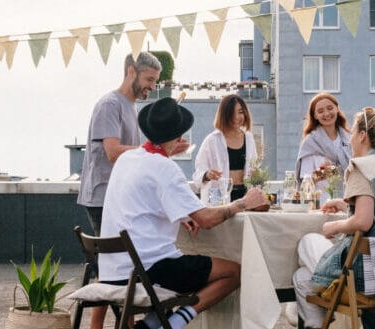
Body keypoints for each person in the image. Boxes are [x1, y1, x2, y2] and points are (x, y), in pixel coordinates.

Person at [99, 97, 268, 329]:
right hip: (148, 271)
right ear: (179, 138)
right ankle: (175, 322)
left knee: (196, 266)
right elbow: (207, 220)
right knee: (234, 271)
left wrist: (182, 214)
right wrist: (243, 204)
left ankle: (152, 323)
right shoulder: (165, 167)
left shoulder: (128, 158)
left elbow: (142, 203)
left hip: (112, 269)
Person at [293, 107, 375, 329]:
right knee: (302, 277)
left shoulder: (360, 166)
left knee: (306, 242)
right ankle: (315, 323)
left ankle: (318, 322)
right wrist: (344, 205)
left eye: (352, 134)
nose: (349, 140)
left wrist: (334, 226)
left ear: (362, 135)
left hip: (364, 275)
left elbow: (363, 222)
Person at [77, 51, 175, 236]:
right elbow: (113, 152)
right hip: (104, 198)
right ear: (131, 72)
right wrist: (153, 149)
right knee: (113, 258)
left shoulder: (132, 106)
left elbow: (136, 156)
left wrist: (164, 149)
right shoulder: (110, 104)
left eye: (155, 81)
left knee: (121, 258)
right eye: (149, 79)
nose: (153, 86)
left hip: (121, 196)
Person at [192, 94, 257, 203]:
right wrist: (207, 175)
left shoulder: (249, 138)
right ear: (225, 115)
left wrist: (256, 174)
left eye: (241, 112)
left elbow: (254, 166)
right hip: (219, 198)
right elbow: (198, 174)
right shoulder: (212, 140)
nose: (237, 117)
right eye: (232, 113)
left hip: (244, 197)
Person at [295, 93, 351, 204]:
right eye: (320, 111)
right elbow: (304, 181)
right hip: (321, 204)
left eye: (330, 108)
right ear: (315, 115)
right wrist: (323, 173)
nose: (326, 113)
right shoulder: (310, 143)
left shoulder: (349, 139)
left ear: (337, 109)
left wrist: (335, 170)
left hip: (347, 203)